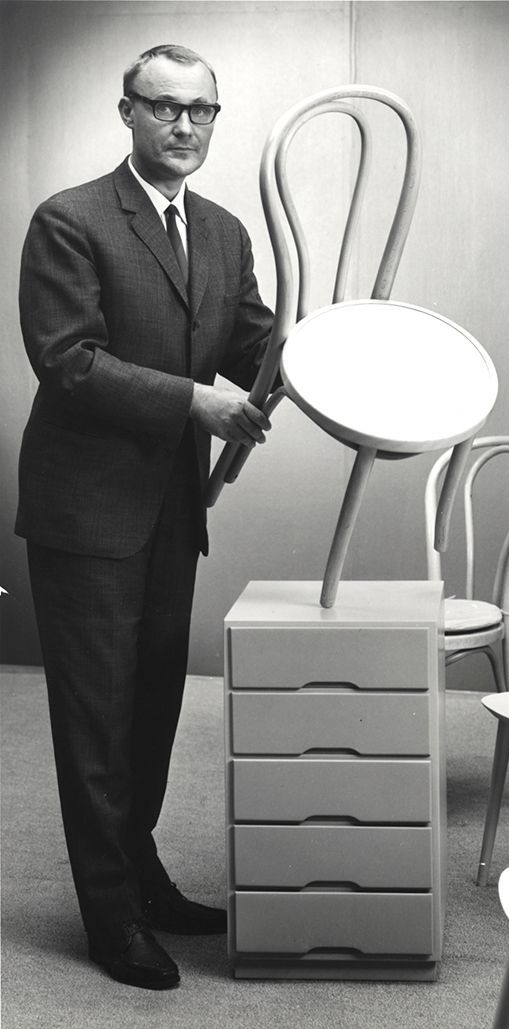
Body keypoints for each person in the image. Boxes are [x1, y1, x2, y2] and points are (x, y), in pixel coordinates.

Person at [16, 44, 274, 990]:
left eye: (201, 111)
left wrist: (344, 358)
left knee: (154, 705)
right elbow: (68, 360)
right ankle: (110, 915)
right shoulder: (71, 221)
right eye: (164, 109)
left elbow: (258, 342)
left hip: (171, 512)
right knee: (98, 719)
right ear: (127, 112)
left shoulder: (221, 231)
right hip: (85, 514)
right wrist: (195, 402)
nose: (185, 127)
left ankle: (142, 872)